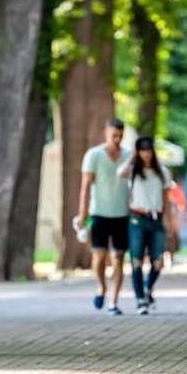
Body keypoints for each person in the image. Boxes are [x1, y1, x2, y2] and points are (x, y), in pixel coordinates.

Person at [76, 118, 131, 315]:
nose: (117, 139)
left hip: (122, 215)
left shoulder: (128, 156)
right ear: (105, 134)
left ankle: (113, 302)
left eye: (120, 136)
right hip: (98, 213)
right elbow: (85, 186)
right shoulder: (94, 155)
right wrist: (82, 214)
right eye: (113, 135)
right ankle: (101, 287)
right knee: (99, 257)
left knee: (118, 257)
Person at [119, 137, 172, 315]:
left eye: (148, 150)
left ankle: (148, 288)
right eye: (142, 150)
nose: (146, 154)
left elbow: (166, 198)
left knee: (158, 262)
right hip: (137, 219)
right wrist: (132, 157)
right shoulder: (133, 171)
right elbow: (120, 172)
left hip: (156, 218)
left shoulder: (162, 172)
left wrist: (169, 220)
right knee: (136, 261)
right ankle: (140, 299)